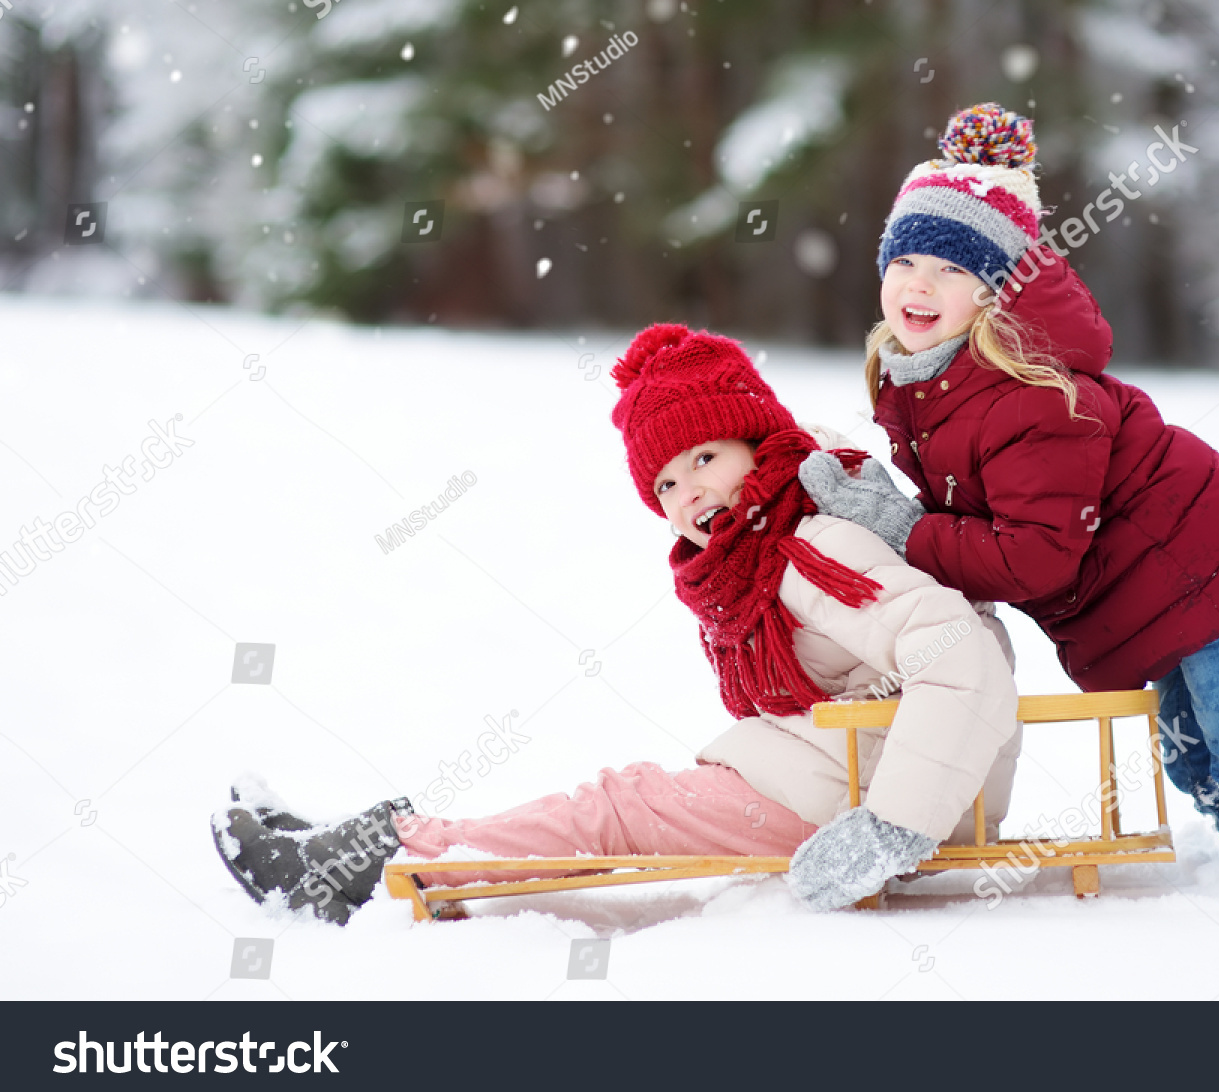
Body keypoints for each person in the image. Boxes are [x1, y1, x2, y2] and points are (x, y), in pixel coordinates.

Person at [212, 322, 1024, 923]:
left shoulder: (810, 548)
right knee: (618, 801)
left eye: (704, 458)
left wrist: (890, 828)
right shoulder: (769, 542)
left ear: (758, 441)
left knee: (617, 807)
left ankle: (382, 858)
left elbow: (967, 655)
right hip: (834, 776)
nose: (689, 494)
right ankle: (390, 844)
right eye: (666, 485)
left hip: (861, 802)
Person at [800, 103, 1219, 903]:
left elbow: (1031, 555)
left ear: (994, 292)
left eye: (952, 268)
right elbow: (972, 509)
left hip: (1207, 561)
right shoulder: (926, 381)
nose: (919, 282)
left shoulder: (1030, 394)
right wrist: (895, 517)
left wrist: (907, 529)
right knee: (1190, 754)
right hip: (1151, 580)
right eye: (905, 260)